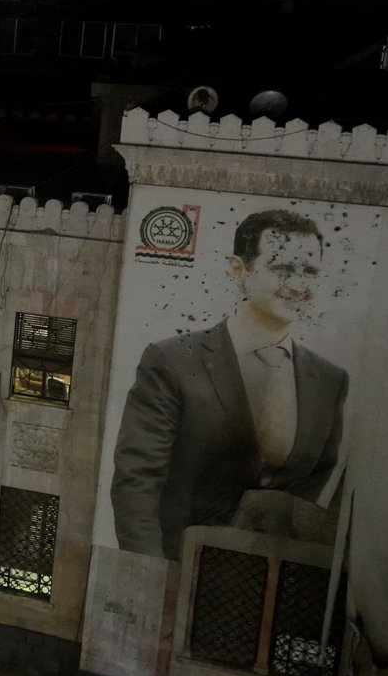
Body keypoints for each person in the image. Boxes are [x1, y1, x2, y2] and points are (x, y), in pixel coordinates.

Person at [110, 208, 347, 563]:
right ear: (239, 270)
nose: (299, 286)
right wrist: (150, 573)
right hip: (180, 569)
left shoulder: (329, 380)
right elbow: (137, 480)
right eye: (282, 269)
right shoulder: (173, 361)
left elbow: (313, 481)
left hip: (265, 586)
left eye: (310, 272)